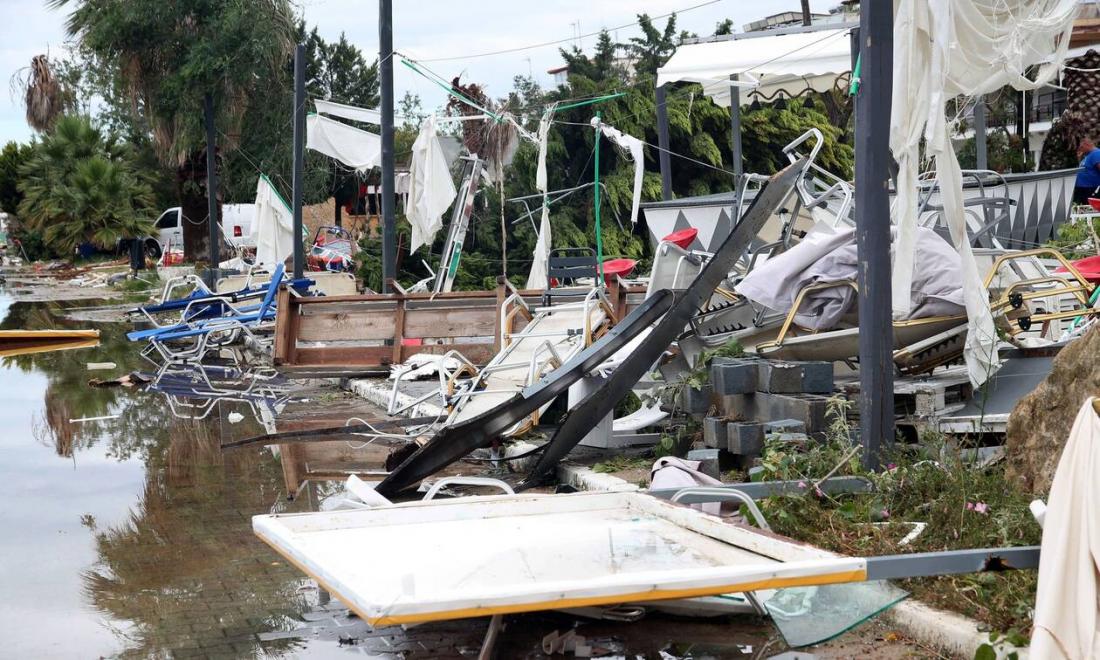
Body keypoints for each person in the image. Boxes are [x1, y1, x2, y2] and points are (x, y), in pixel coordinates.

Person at [1073, 137, 1100, 205]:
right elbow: (1084, 168)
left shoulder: (1096, 153)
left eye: (1081, 147)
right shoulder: (1088, 155)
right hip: (1084, 189)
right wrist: (1079, 158)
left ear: (1087, 145)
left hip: (1091, 188)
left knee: (1090, 209)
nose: (1080, 149)